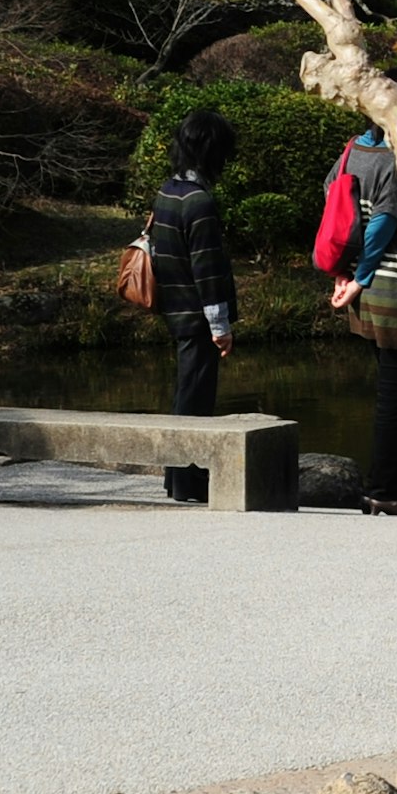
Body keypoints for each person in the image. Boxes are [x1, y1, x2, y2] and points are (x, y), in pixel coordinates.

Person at [329, 73, 397, 518]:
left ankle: (382, 483)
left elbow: (335, 204)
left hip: (364, 289)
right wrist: (360, 277)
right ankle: (384, 488)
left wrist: (344, 272)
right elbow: (382, 224)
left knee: (391, 387)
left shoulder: (354, 148)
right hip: (393, 288)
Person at [147, 108, 240, 503]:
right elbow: (207, 268)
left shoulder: (168, 191)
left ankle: (177, 478)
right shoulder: (199, 201)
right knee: (195, 396)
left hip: (175, 308)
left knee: (186, 390)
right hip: (196, 314)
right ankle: (187, 481)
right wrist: (220, 326)